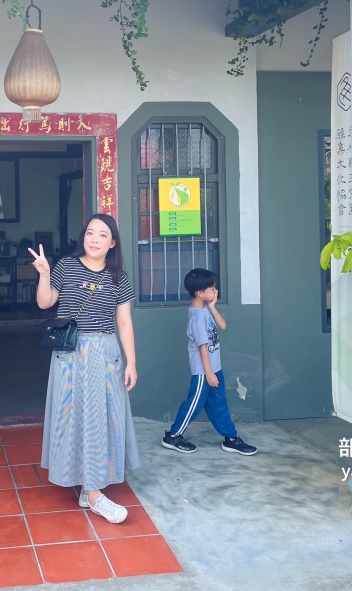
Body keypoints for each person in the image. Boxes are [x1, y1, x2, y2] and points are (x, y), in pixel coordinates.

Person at [29, 213, 140, 524]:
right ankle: (94, 495)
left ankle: (90, 489)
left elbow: (124, 322)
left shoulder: (119, 277)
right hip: (72, 353)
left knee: (101, 421)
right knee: (75, 418)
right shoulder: (66, 266)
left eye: (102, 235)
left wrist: (131, 361)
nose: (94, 239)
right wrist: (43, 274)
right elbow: (45, 302)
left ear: (112, 243)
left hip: (105, 353)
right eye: (90, 233)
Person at [162, 268, 258, 456]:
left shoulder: (205, 308)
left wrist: (213, 306)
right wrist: (208, 372)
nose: (215, 291)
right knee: (194, 404)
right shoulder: (197, 316)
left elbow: (223, 325)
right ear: (199, 292)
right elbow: (202, 347)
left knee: (219, 404)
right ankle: (173, 435)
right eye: (212, 288)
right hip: (203, 371)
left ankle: (230, 438)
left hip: (214, 368)